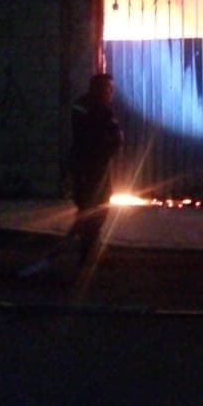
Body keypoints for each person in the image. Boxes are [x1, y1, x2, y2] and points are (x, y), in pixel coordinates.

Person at [68, 72, 123, 270]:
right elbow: (116, 138)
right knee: (97, 208)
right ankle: (88, 254)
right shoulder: (102, 110)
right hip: (95, 166)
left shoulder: (79, 104)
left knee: (87, 207)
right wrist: (109, 148)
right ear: (98, 88)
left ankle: (88, 251)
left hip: (81, 165)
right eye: (108, 89)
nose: (111, 93)